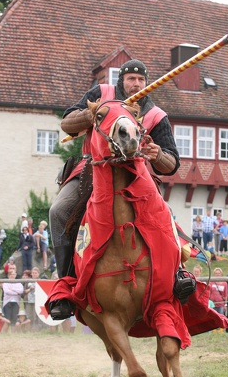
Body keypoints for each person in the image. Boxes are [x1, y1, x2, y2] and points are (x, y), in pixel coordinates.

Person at [49, 58, 180, 280]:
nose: (136, 84)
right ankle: (66, 280)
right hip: (93, 166)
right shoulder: (101, 93)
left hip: (135, 172)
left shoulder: (156, 115)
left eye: (140, 79)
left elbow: (172, 163)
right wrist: (91, 114)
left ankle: (175, 276)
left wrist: (157, 155)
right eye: (131, 79)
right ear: (122, 80)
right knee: (59, 211)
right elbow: (66, 123)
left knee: (165, 217)